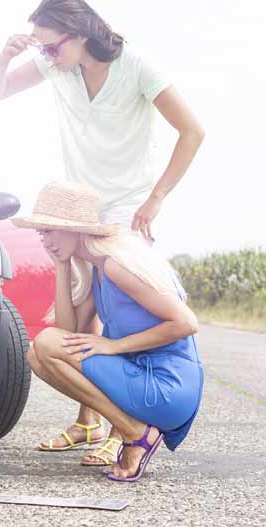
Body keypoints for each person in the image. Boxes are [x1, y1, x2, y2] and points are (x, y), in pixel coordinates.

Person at [0, 0, 205, 466]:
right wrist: (5, 55)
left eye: (49, 46)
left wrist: (157, 197)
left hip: (126, 207)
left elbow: (192, 131)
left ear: (79, 33)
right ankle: (90, 422)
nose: (43, 55)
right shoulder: (57, 70)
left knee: (115, 312)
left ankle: (121, 426)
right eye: (39, 48)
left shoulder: (138, 66)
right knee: (80, 319)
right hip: (78, 205)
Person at [12, 181, 203, 481]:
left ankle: (135, 433)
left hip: (168, 387)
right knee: (37, 354)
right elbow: (63, 337)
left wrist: (114, 346)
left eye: (49, 230)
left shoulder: (116, 265)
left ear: (76, 229)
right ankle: (134, 430)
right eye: (41, 232)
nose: (43, 239)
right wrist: (62, 267)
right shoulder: (97, 271)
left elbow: (186, 323)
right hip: (145, 380)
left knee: (44, 344)